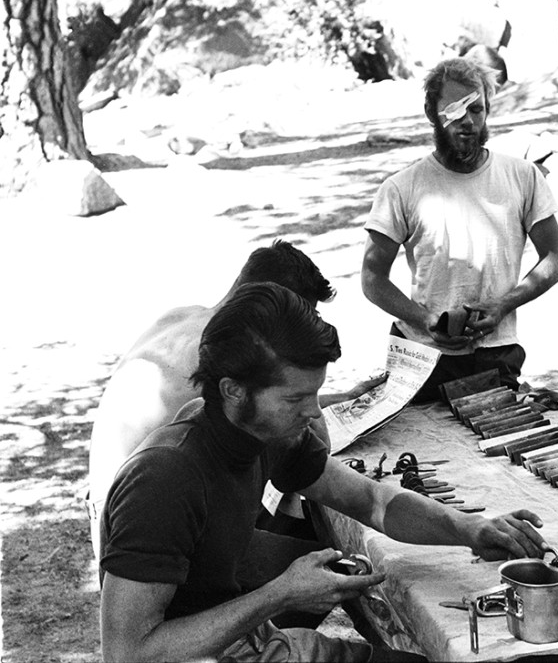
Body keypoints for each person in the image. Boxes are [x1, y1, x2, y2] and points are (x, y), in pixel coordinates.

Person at [99, 282, 548, 662]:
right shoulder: (164, 480)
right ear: (233, 391)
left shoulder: (264, 432)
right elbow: (127, 652)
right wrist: (281, 594)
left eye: (315, 393)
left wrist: (470, 528)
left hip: (251, 641)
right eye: (296, 399)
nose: (314, 411)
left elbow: (371, 501)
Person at [88, 240, 385, 559]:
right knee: (316, 542)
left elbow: (266, 400)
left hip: (108, 502)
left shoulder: (183, 319)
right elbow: (315, 445)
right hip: (144, 524)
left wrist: (340, 397)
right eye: (298, 319)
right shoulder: (218, 358)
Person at [361, 57, 558, 402]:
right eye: (455, 111)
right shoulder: (401, 188)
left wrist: (503, 305)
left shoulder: (523, 176)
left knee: (495, 448)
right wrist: (425, 319)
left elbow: (554, 259)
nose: (468, 122)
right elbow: (372, 278)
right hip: (422, 355)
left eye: (477, 110)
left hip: (495, 353)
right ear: (431, 112)